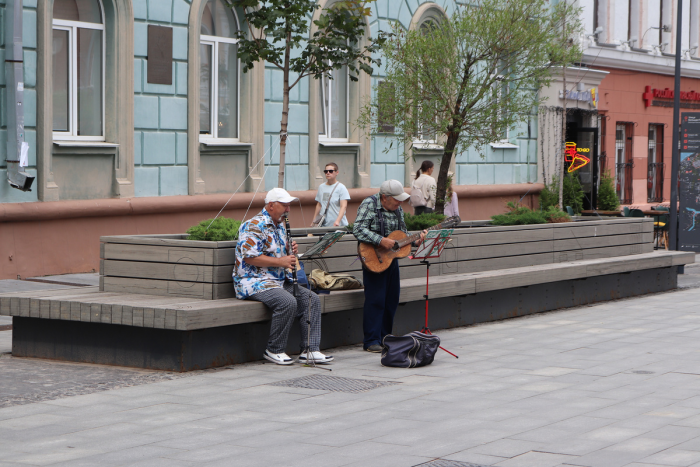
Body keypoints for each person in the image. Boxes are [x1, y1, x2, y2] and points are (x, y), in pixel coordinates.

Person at [234, 187, 333, 365]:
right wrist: (281, 261)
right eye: (284, 205)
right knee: (287, 302)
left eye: (289, 206)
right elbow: (250, 257)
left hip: (278, 280)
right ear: (271, 205)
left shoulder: (279, 224)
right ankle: (274, 349)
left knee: (311, 299)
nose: (288, 210)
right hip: (254, 281)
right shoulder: (254, 225)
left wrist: (290, 249)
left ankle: (310, 350)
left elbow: (277, 253)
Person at [353, 180, 426, 352]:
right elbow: (358, 229)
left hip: (391, 259)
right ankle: (371, 340)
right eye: (397, 200)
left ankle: (385, 337)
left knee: (392, 299)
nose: (400, 203)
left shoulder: (397, 208)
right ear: (384, 197)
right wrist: (380, 240)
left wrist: (415, 240)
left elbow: (402, 235)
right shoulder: (370, 204)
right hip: (373, 258)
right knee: (376, 300)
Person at [311, 163, 351, 227]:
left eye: (331, 171)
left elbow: (343, 206)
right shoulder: (321, 187)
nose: (328, 173)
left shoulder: (341, 187)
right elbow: (319, 205)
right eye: (326, 171)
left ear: (337, 172)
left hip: (338, 225)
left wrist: (337, 221)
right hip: (323, 224)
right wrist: (313, 221)